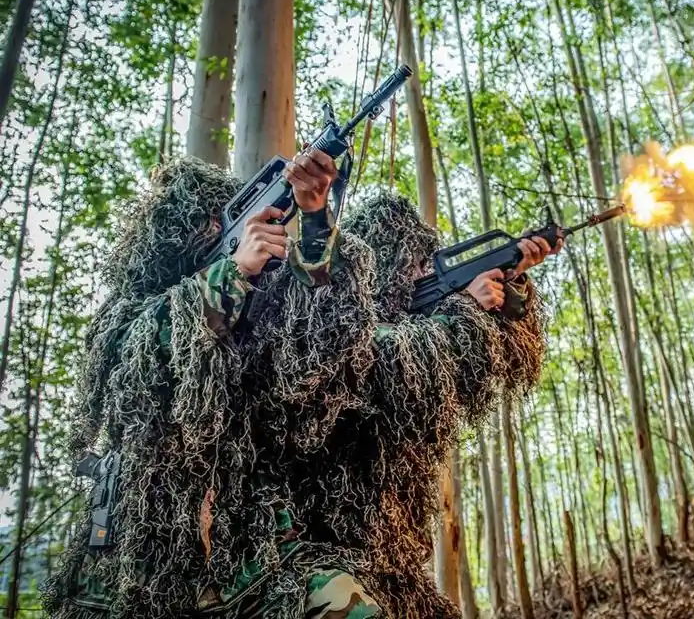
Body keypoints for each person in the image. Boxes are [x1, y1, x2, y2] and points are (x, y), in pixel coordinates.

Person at [43, 150, 559, 619]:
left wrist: (315, 217)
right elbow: (151, 355)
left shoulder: (265, 320)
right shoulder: (130, 317)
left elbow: (318, 341)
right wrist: (237, 269)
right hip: (138, 564)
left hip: (253, 559)